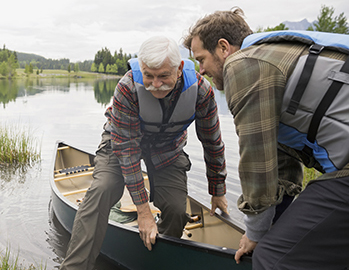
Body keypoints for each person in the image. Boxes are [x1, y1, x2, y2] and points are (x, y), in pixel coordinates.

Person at [184, 7, 349, 269]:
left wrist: (256, 235)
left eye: (201, 59)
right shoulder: (272, 61)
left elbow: (257, 164)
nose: (201, 70)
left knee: (271, 258)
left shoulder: (243, 66)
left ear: (224, 48)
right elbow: (283, 167)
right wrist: (269, 228)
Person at [59, 36, 229, 270]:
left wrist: (217, 189)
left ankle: (156, 259)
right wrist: (143, 211)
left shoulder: (201, 92)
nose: (155, 84)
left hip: (167, 148)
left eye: (163, 76)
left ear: (179, 69)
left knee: (178, 211)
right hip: (120, 143)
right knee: (103, 189)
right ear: (141, 68)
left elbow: (212, 141)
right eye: (148, 75)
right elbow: (127, 152)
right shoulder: (127, 88)